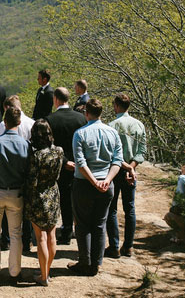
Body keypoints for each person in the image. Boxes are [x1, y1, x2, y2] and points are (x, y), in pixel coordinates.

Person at [68, 99, 123, 277]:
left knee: (83, 225)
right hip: (106, 184)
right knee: (100, 224)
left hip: (84, 183)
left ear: (86, 113)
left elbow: (80, 162)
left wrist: (93, 181)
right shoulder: (112, 133)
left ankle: (85, 262)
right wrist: (106, 180)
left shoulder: (80, 133)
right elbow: (117, 160)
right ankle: (96, 264)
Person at [0, 106, 30, 283]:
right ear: (19, 122)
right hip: (16, 192)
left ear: (5, 121)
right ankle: (14, 272)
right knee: (16, 234)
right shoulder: (25, 145)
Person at [106, 93, 147, 258]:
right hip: (132, 170)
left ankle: (114, 246)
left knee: (112, 208)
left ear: (116, 105)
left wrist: (124, 166)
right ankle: (128, 246)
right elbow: (142, 151)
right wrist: (131, 168)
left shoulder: (112, 126)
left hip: (116, 170)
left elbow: (111, 152)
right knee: (130, 208)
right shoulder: (139, 125)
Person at [45, 87, 86, 245]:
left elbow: (49, 146)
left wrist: (63, 161)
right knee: (77, 198)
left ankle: (66, 229)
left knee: (62, 198)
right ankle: (78, 229)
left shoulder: (50, 119)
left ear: (55, 99)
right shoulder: (81, 119)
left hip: (60, 165)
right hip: (79, 165)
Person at [24, 120, 64, 286]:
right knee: (52, 236)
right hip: (53, 193)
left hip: (39, 197)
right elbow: (59, 174)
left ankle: (43, 275)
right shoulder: (59, 151)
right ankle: (47, 270)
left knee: (41, 237)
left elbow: (32, 181)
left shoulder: (36, 156)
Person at [0, 94, 35, 252]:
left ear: (8, 109)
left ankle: (6, 240)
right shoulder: (32, 123)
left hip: (8, 170)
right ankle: (27, 241)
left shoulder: (2, 124)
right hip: (26, 169)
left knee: (6, 209)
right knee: (26, 207)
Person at [163, 159, 185, 241]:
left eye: (183, 169)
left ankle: (182, 235)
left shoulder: (182, 178)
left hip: (184, 208)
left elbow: (179, 195)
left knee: (169, 216)